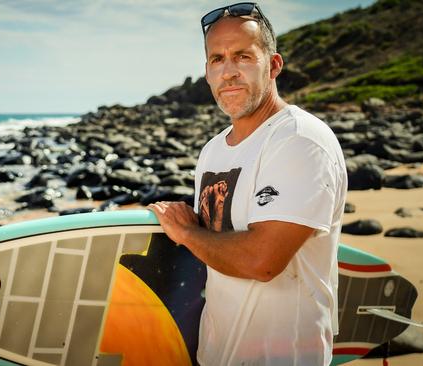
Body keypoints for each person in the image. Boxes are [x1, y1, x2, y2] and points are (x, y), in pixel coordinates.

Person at [148, 3, 348, 365]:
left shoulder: (300, 140)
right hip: (218, 354)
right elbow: (215, 250)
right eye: (217, 59)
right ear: (207, 72)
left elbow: (262, 261)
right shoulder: (212, 151)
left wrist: (186, 233)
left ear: (273, 65)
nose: (228, 72)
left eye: (243, 56)